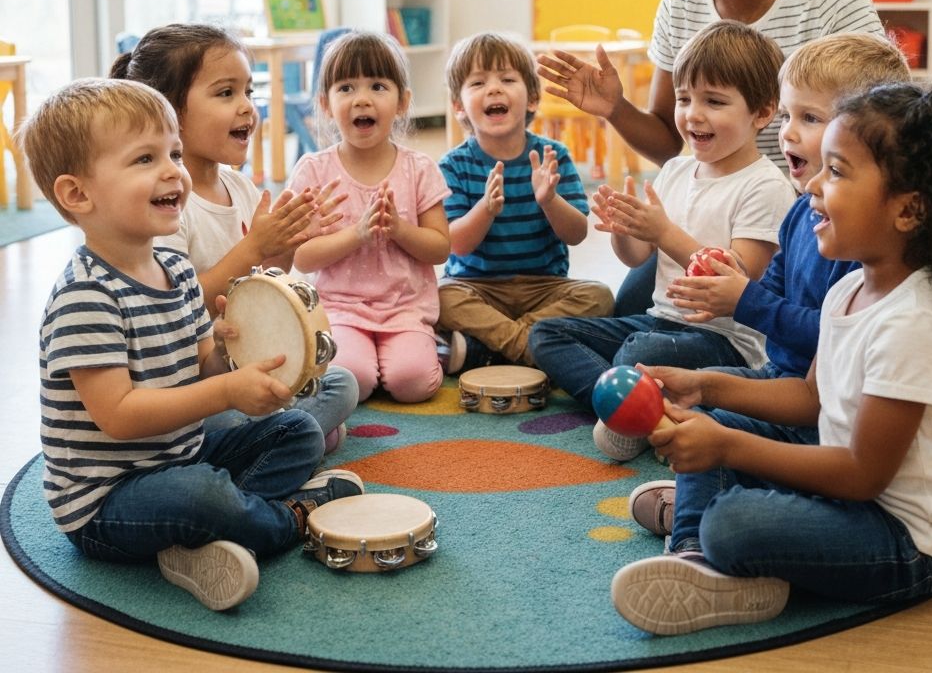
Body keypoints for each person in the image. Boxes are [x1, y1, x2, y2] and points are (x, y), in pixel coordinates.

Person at [610, 83, 932, 636]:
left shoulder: (916, 324)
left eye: (838, 172)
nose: (814, 187)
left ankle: (713, 536)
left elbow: (861, 475)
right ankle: (691, 552)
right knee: (714, 428)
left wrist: (727, 448)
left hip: (902, 541)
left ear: (909, 210)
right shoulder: (849, 289)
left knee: (734, 518)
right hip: (845, 484)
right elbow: (810, 399)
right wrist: (702, 386)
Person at [20, 79, 365, 611]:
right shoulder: (84, 295)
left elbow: (205, 366)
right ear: (77, 194)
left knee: (296, 430)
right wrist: (228, 391)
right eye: (144, 159)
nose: (173, 171)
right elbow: (121, 416)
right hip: (107, 505)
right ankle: (290, 519)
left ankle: (198, 538)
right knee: (197, 495)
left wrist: (229, 358)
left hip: (180, 455)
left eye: (174, 153)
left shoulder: (178, 270)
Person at [537, 0, 884, 316]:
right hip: (711, 223)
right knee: (629, 318)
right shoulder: (679, 7)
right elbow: (675, 141)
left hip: (811, 225)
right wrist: (615, 108)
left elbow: (883, 129)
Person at [627, 31, 910, 536]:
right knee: (705, 416)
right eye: (788, 116)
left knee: (728, 487)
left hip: (815, 410)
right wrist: (733, 302)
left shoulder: (868, 250)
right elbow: (779, 313)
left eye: (810, 118)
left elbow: (821, 343)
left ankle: (702, 524)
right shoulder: (803, 212)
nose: (789, 134)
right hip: (790, 385)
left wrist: (744, 301)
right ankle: (693, 533)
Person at [528, 21, 795, 459]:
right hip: (658, 322)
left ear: (763, 113)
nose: (693, 114)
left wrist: (662, 231)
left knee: (640, 350)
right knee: (547, 334)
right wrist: (624, 232)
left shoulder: (764, 187)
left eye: (715, 101)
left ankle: (626, 405)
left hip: (722, 342)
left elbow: (738, 277)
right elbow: (639, 258)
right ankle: (646, 413)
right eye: (685, 99)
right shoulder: (674, 170)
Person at [110, 24, 358, 454]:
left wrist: (286, 245)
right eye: (226, 93)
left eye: (248, 92)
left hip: (244, 366)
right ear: (170, 113)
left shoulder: (240, 188)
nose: (247, 108)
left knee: (340, 381)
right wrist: (253, 248)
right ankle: (289, 439)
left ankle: (286, 437)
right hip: (193, 389)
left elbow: (261, 290)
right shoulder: (167, 205)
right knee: (237, 418)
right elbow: (174, 310)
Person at [287, 30, 451, 403]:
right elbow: (302, 257)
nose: (361, 99)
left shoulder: (419, 169)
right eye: (346, 88)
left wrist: (398, 230)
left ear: (403, 101)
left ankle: (435, 347)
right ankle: (363, 356)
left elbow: (440, 248)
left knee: (413, 385)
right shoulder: (313, 170)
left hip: (406, 309)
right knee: (352, 380)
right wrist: (357, 234)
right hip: (341, 309)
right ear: (325, 104)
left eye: (377, 86)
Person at [434, 32, 614, 372]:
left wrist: (549, 201)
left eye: (507, 79)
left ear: (532, 98)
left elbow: (576, 233)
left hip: (544, 287)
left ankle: (493, 348)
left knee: (600, 296)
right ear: (458, 106)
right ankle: (538, 346)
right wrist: (485, 209)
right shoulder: (453, 165)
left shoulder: (553, 155)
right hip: (476, 289)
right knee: (440, 297)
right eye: (477, 83)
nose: (494, 89)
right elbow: (455, 244)